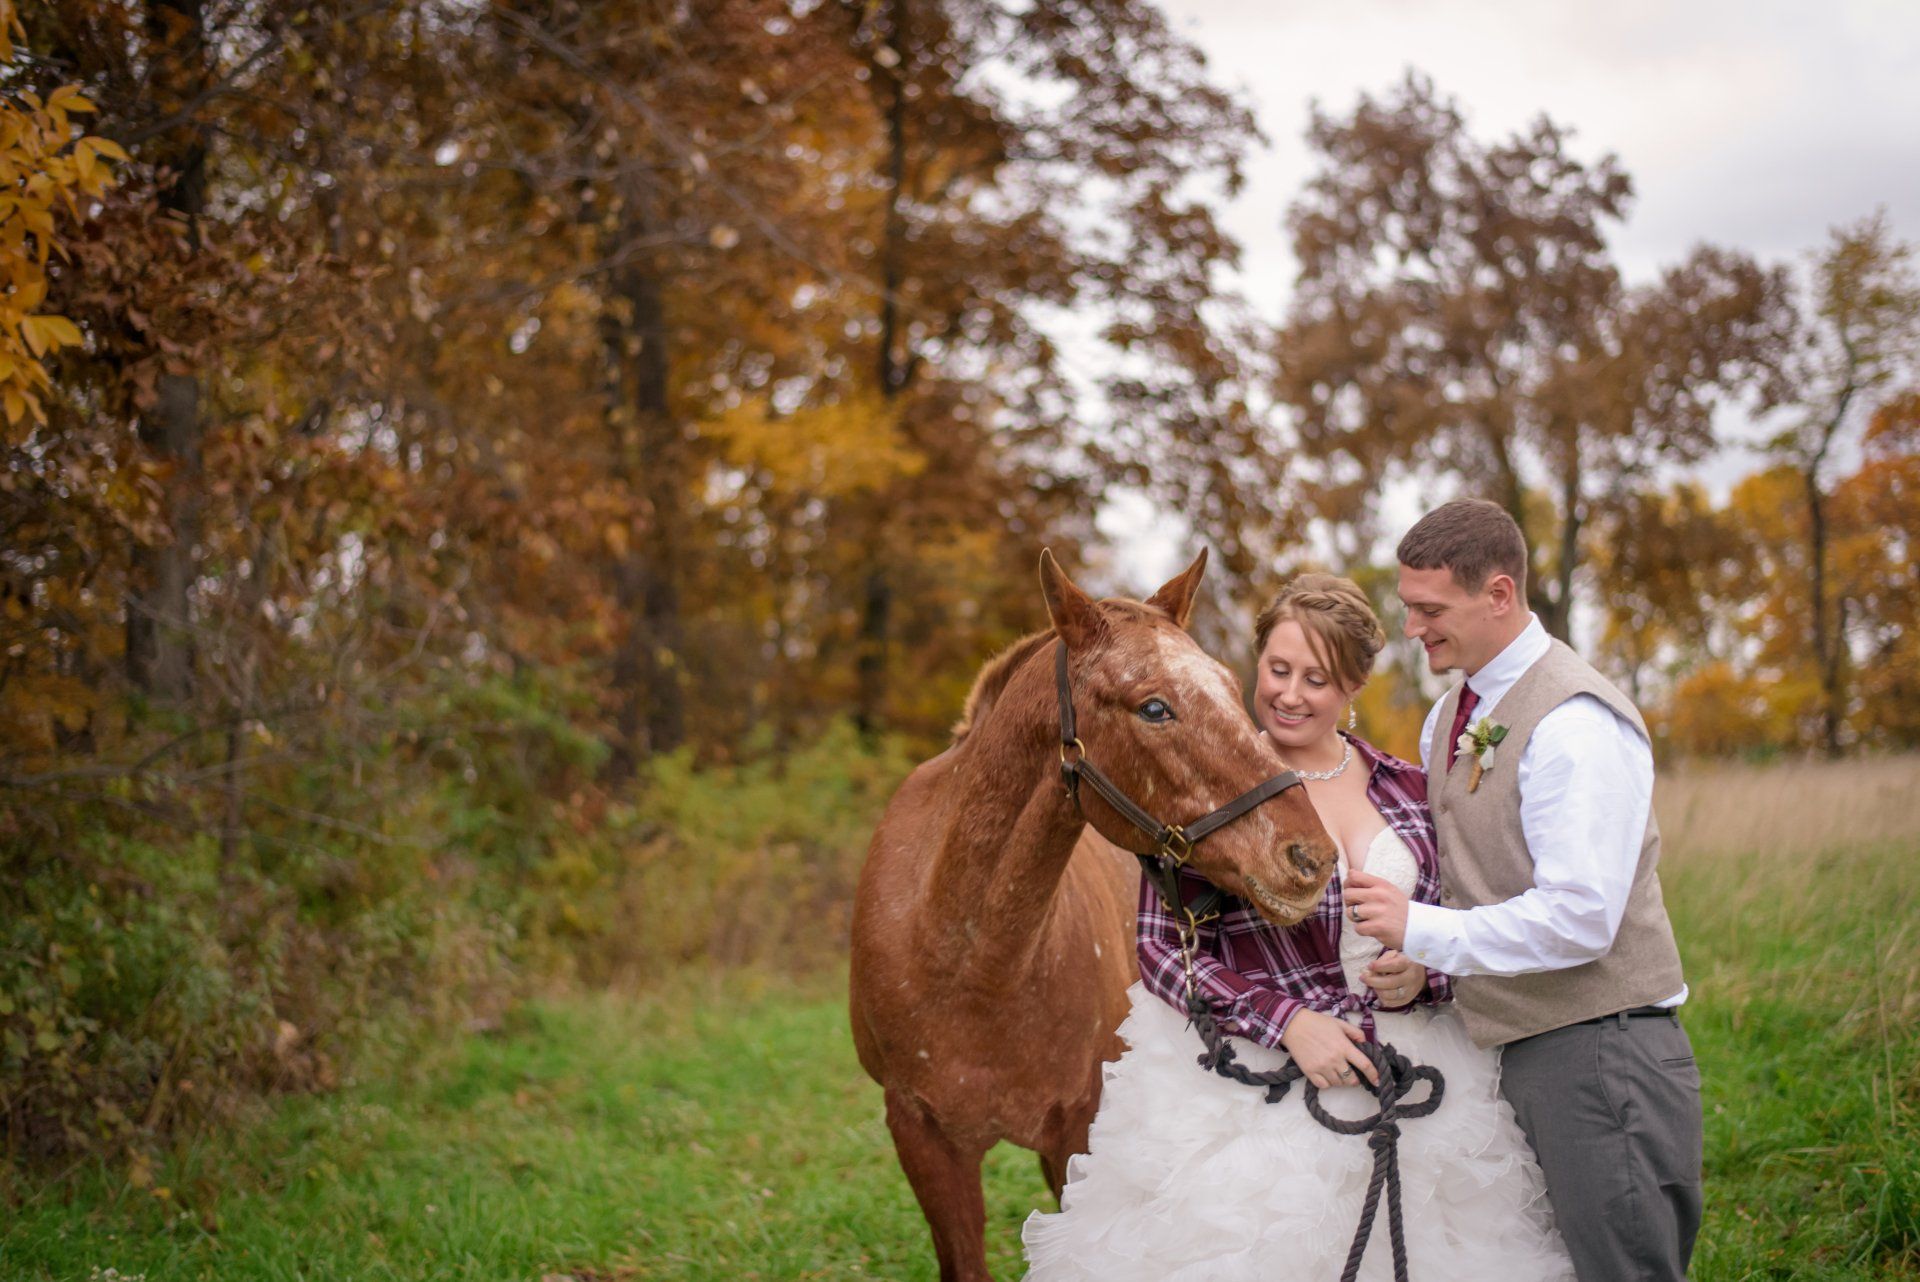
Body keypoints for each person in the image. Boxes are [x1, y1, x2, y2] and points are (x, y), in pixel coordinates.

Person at [1021, 574, 1575, 1282]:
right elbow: (1162, 950)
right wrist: (1287, 1022)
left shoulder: (1409, 788)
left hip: (1419, 1067)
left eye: (1316, 678)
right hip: (1261, 1081)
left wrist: (1425, 970)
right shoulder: (1201, 779)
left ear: (1351, 688)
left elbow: (1469, 917)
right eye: (1277, 670)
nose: (1288, 693)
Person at [1345, 498, 1702, 1281]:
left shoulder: (1576, 721)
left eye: (1429, 610)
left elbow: (1582, 920)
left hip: (1601, 1055)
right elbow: (1479, 872)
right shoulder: (1450, 717)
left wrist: (1423, 930)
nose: (1413, 630)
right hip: (1506, 1054)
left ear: (1499, 594)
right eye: (1409, 608)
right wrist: (1424, 966)